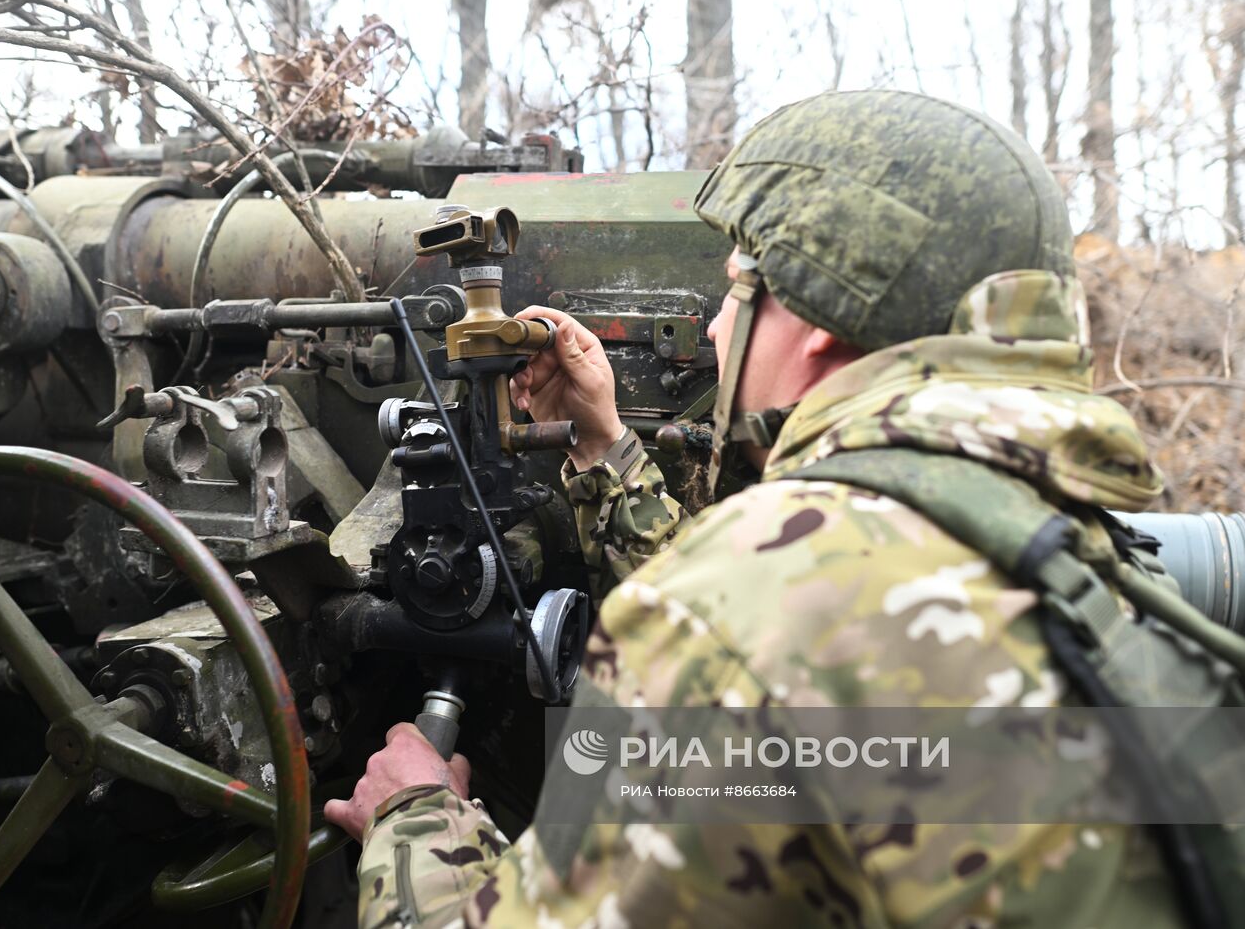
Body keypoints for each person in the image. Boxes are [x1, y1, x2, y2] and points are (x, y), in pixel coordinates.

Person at [324, 90, 1209, 927]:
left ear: (822, 320)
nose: (714, 326)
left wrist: (414, 818)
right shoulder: (1078, 542)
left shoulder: (745, 610)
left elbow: (751, 630)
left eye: (738, 289)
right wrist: (603, 451)